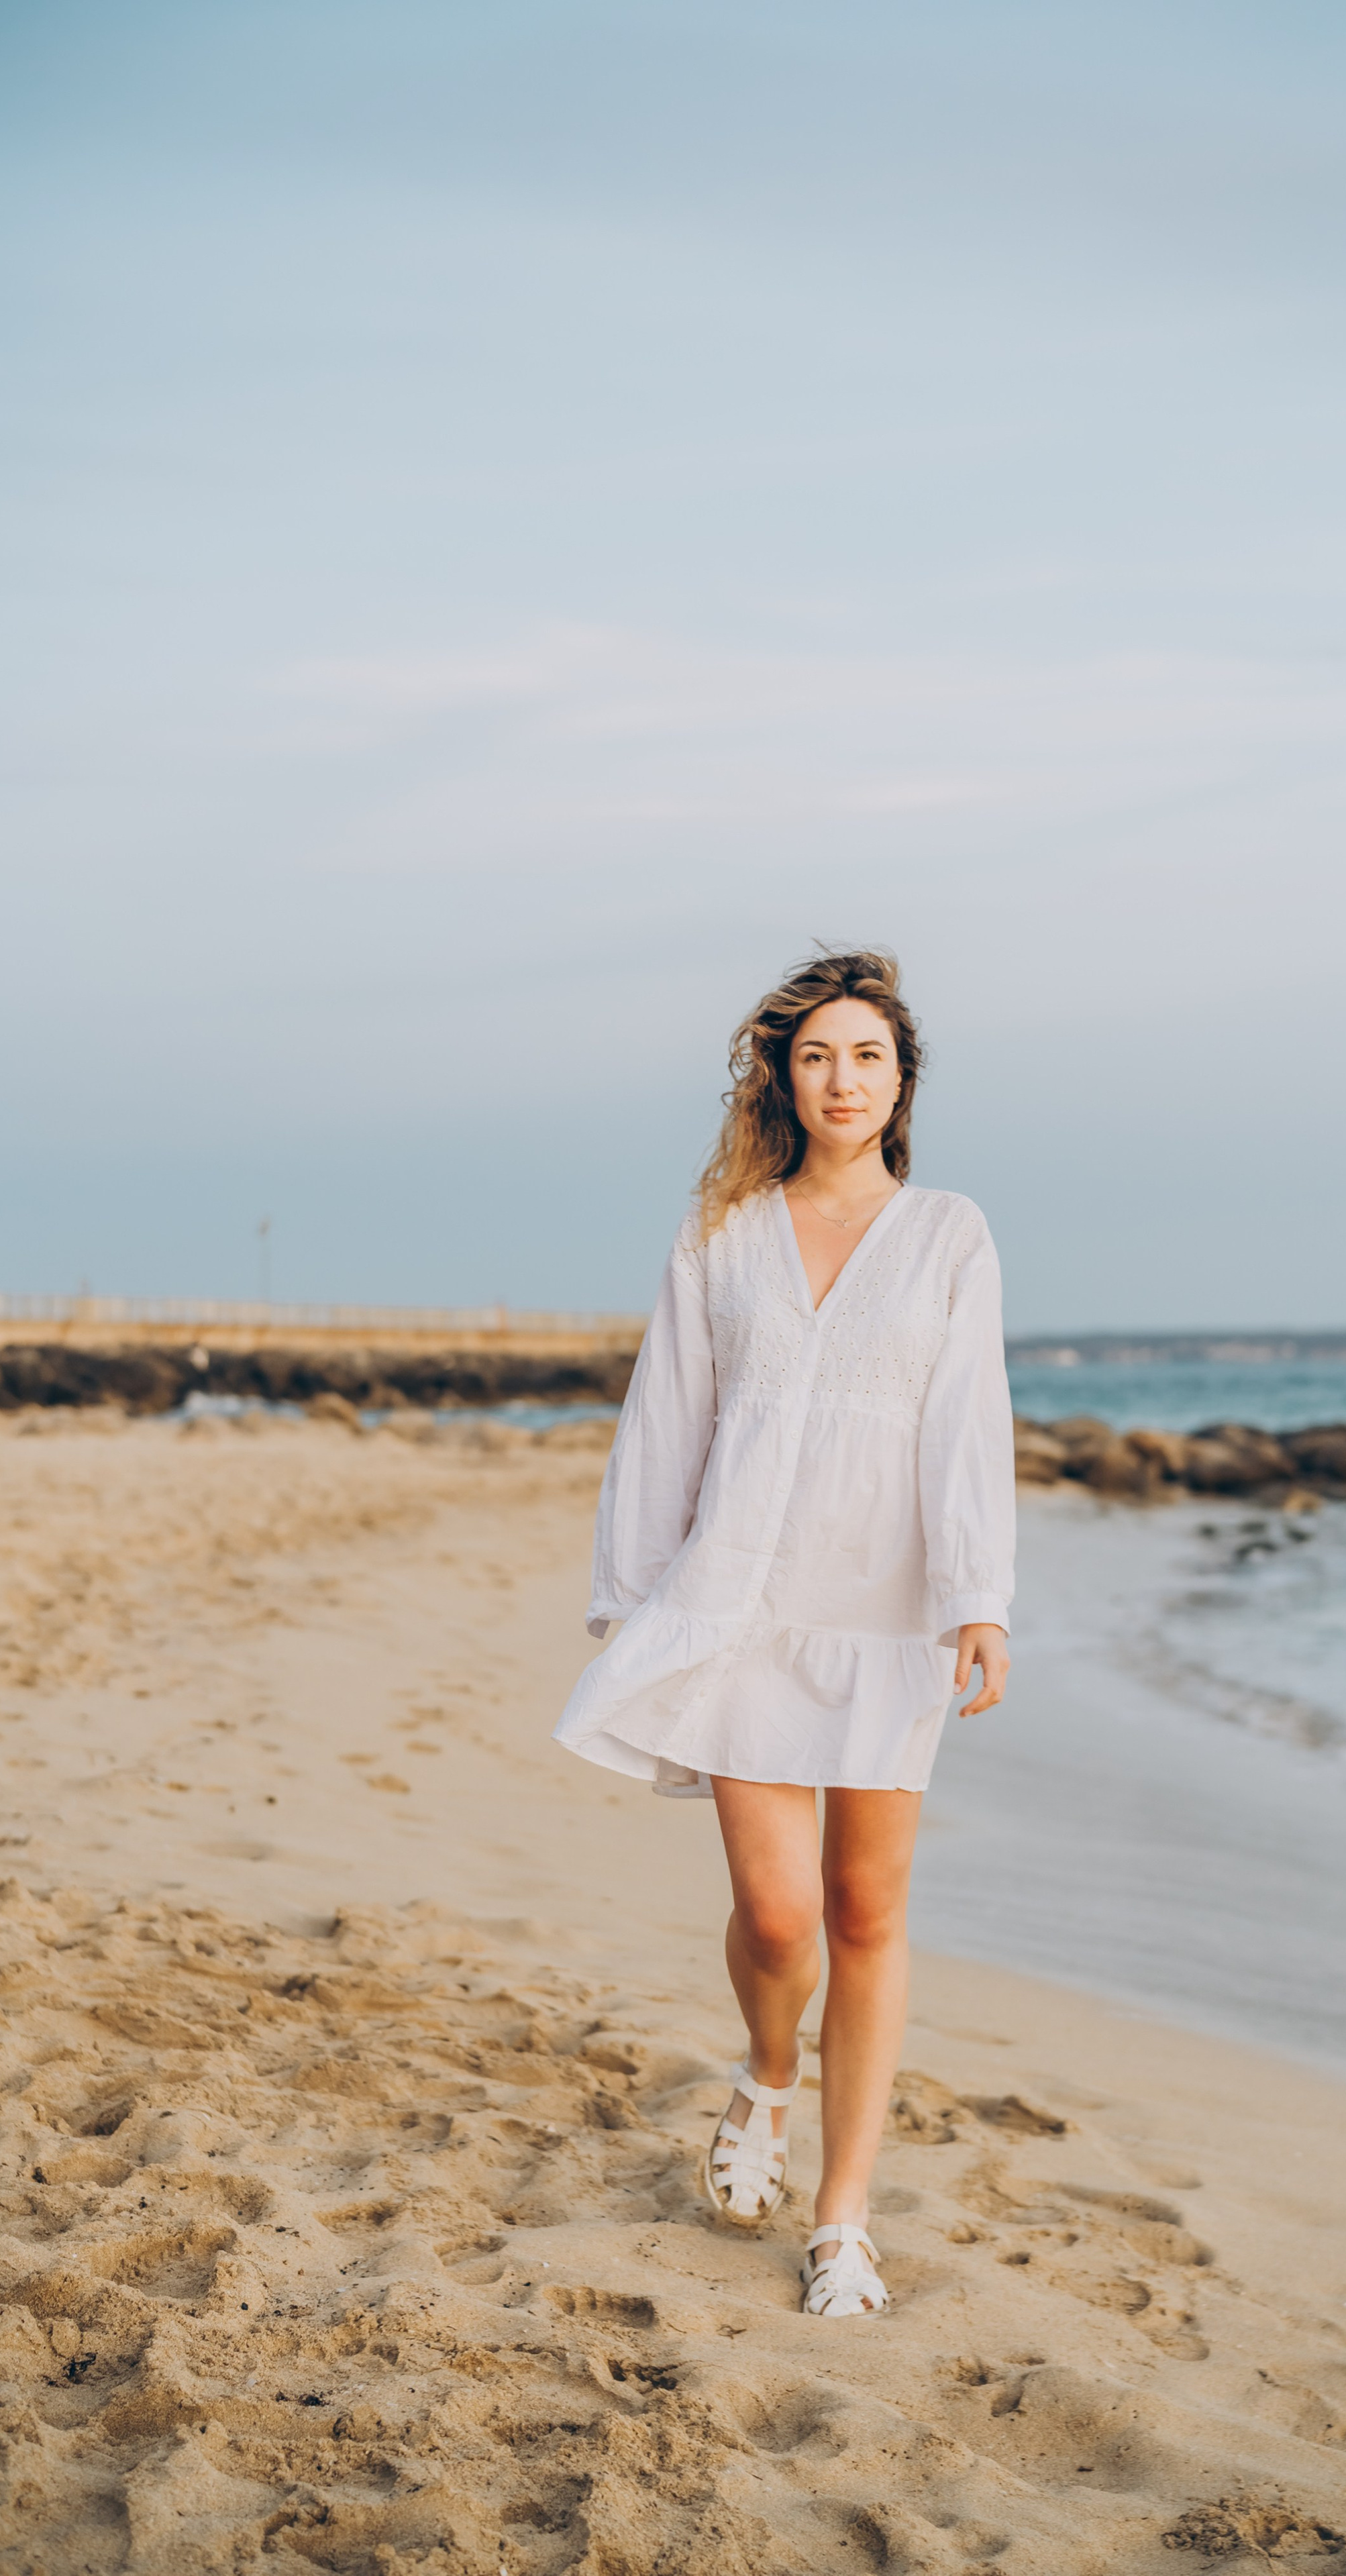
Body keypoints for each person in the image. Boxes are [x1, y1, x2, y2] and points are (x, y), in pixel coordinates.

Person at [554, 949, 1014, 2318]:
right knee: (776, 1911)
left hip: (888, 1614)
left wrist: (978, 1598)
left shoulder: (949, 1236)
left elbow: (967, 1425)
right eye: (817, 1057)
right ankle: (767, 2072)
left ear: (902, 1082)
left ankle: (841, 2221)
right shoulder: (725, 1233)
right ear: (783, 1079)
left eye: (867, 1057)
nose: (842, 1081)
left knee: (866, 1911)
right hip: (739, 1603)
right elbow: (668, 1417)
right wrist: (637, 1598)